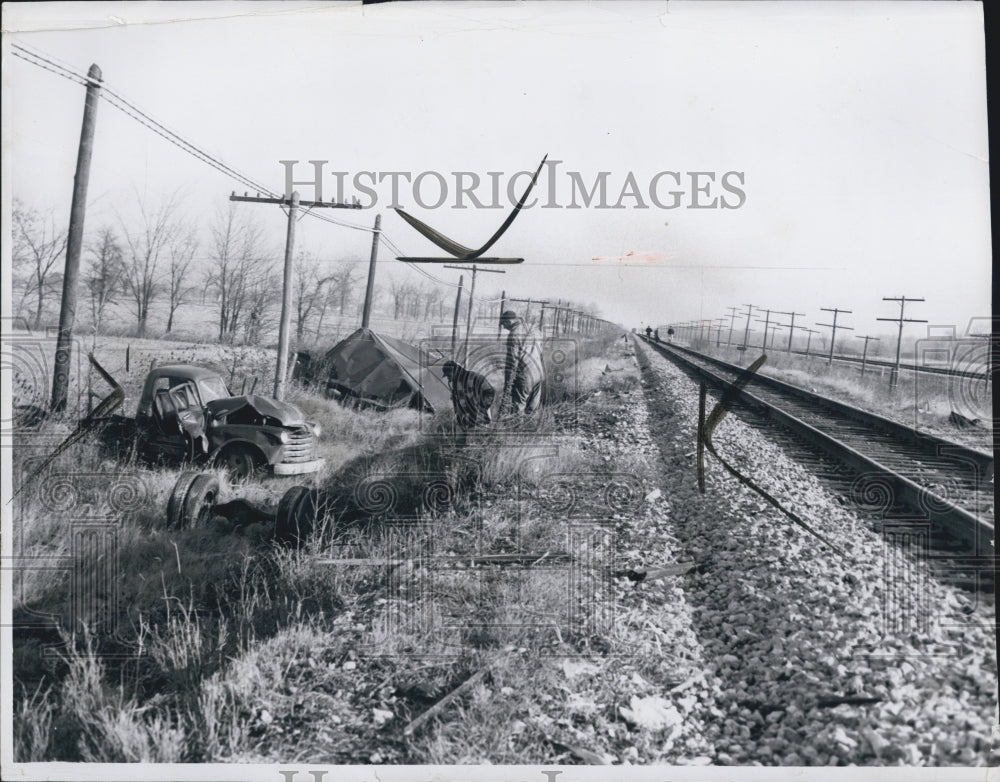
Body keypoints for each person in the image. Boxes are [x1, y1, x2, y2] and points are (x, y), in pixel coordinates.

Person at [499, 310, 543, 415]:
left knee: (518, 407)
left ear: (509, 321)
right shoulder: (533, 330)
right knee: (533, 408)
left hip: (525, 375)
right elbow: (541, 351)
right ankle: (533, 428)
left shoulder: (513, 335)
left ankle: (517, 429)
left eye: (503, 324)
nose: (503, 327)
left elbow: (512, 362)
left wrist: (507, 385)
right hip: (539, 373)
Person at [442, 360, 495, 430]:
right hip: (467, 422)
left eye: (449, 375)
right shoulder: (455, 384)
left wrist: (483, 407)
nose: (448, 378)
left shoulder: (472, 377)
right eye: (447, 376)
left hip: (479, 420)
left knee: (479, 438)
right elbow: (459, 403)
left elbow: (489, 391)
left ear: (455, 371)